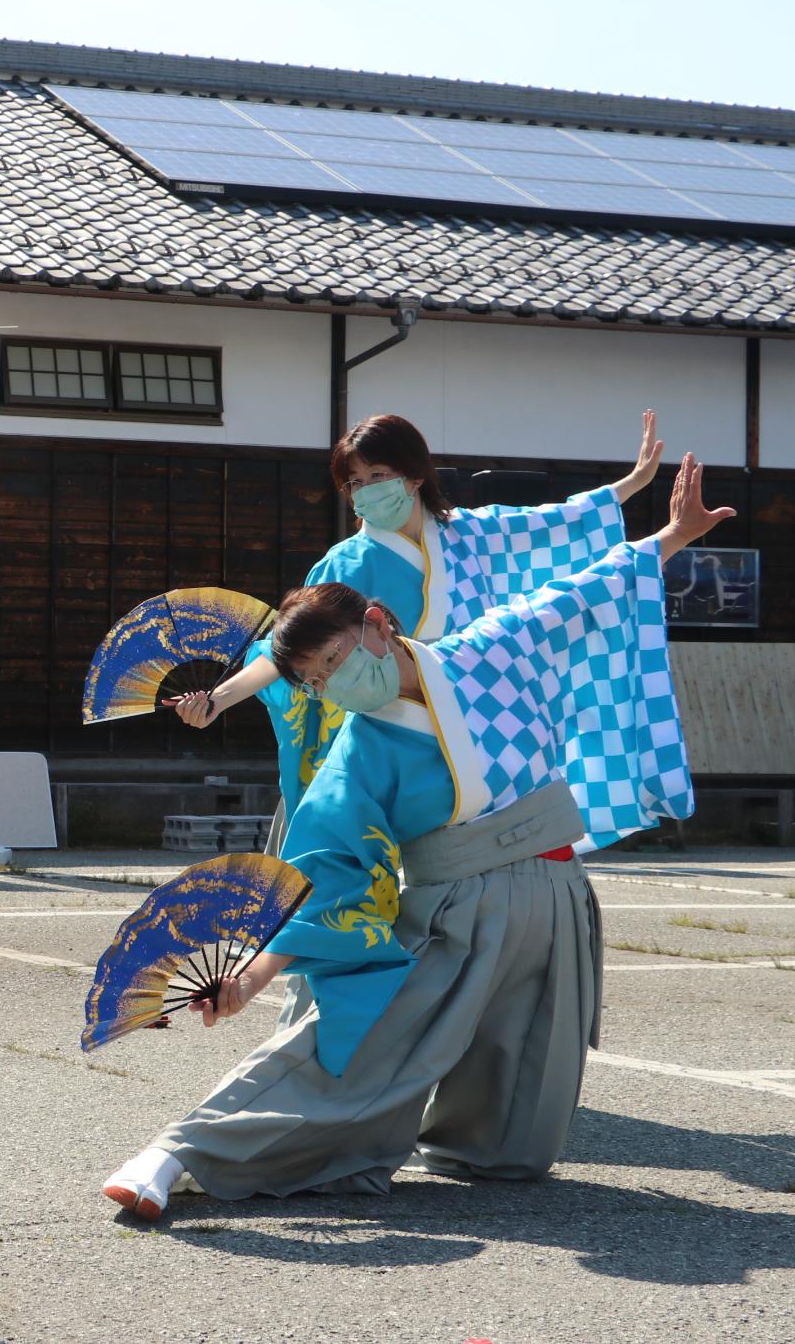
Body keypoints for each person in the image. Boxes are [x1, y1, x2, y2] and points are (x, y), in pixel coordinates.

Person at [101, 453, 725, 1219]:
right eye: (318, 683)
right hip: (455, 912)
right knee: (355, 1049)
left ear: (378, 623)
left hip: (556, 899)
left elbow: (578, 593)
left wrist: (673, 534)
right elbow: (325, 871)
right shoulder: (361, 749)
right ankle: (178, 1151)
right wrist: (254, 979)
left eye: (334, 661)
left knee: (509, 1149)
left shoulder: (488, 650)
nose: (334, 685)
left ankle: (450, 1131)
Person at [170, 410, 661, 820]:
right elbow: (289, 650)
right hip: (390, 723)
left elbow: (551, 523)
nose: (365, 490)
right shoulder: (345, 563)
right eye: (354, 482)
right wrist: (219, 698)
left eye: (377, 476)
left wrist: (635, 482)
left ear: (415, 475)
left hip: (476, 710)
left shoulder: (470, 534)